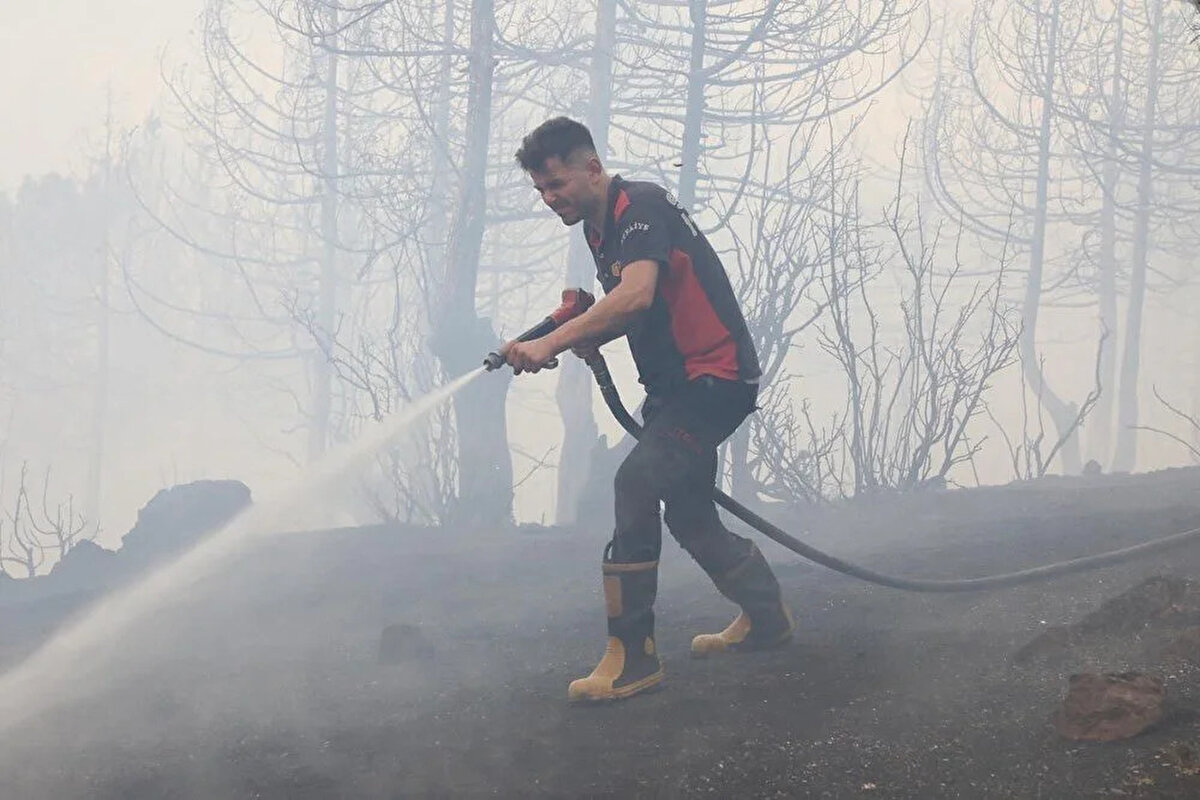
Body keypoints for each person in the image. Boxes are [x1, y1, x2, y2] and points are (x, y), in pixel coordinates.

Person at [502, 117, 793, 703]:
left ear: (591, 169)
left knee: (636, 483)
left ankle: (633, 657)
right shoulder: (597, 228)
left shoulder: (641, 207)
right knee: (688, 515)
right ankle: (768, 619)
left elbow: (633, 296)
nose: (549, 198)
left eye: (556, 184)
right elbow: (637, 305)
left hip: (716, 379)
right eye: (540, 190)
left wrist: (550, 343)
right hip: (677, 390)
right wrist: (583, 329)